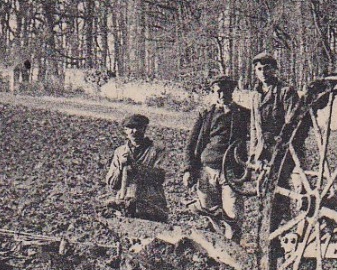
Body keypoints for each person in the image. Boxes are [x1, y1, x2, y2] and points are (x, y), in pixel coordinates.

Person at [184, 75, 251, 240]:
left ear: (233, 91)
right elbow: (191, 144)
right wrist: (188, 170)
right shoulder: (206, 114)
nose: (222, 95)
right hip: (207, 170)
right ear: (214, 93)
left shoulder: (244, 114)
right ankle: (215, 250)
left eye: (226, 91)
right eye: (218, 91)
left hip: (232, 171)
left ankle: (232, 248)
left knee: (232, 215)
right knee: (210, 212)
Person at [103, 113, 170, 221]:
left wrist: (135, 167)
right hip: (124, 200)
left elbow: (160, 176)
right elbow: (112, 182)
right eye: (130, 128)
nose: (134, 131)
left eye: (138, 127)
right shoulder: (120, 152)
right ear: (125, 130)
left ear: (144, 129)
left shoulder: (156, 150)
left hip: (151, 202)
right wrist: (121, 168)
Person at [248, 51, 299, 168]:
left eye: (267, 68)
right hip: (263, 151)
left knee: (294, 184)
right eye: (259, 69)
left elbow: (291, 125)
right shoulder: (255, 95)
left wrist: (280, 150)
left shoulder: (286, 91)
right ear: (255, 72)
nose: (263, 73)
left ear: (274, 69)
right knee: (263, 184)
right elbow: (254, 127)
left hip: (286, 150)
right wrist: (254, 152)